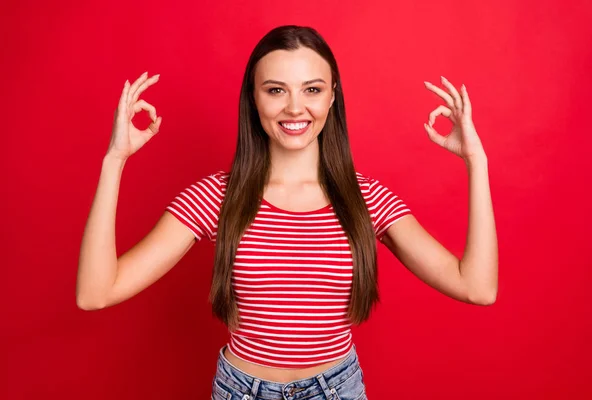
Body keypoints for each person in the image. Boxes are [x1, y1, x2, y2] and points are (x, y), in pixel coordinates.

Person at [76, 25, 497, 400]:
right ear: (253, 99)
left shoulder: (366, 199)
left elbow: (477, 288)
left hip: (337, 390)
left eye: (312, 89)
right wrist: (114, 161)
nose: (295, 108)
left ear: (333, 97)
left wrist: (476, 162)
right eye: (276, 90)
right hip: (242, 390)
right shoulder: (215, 198)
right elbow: (96, 293)